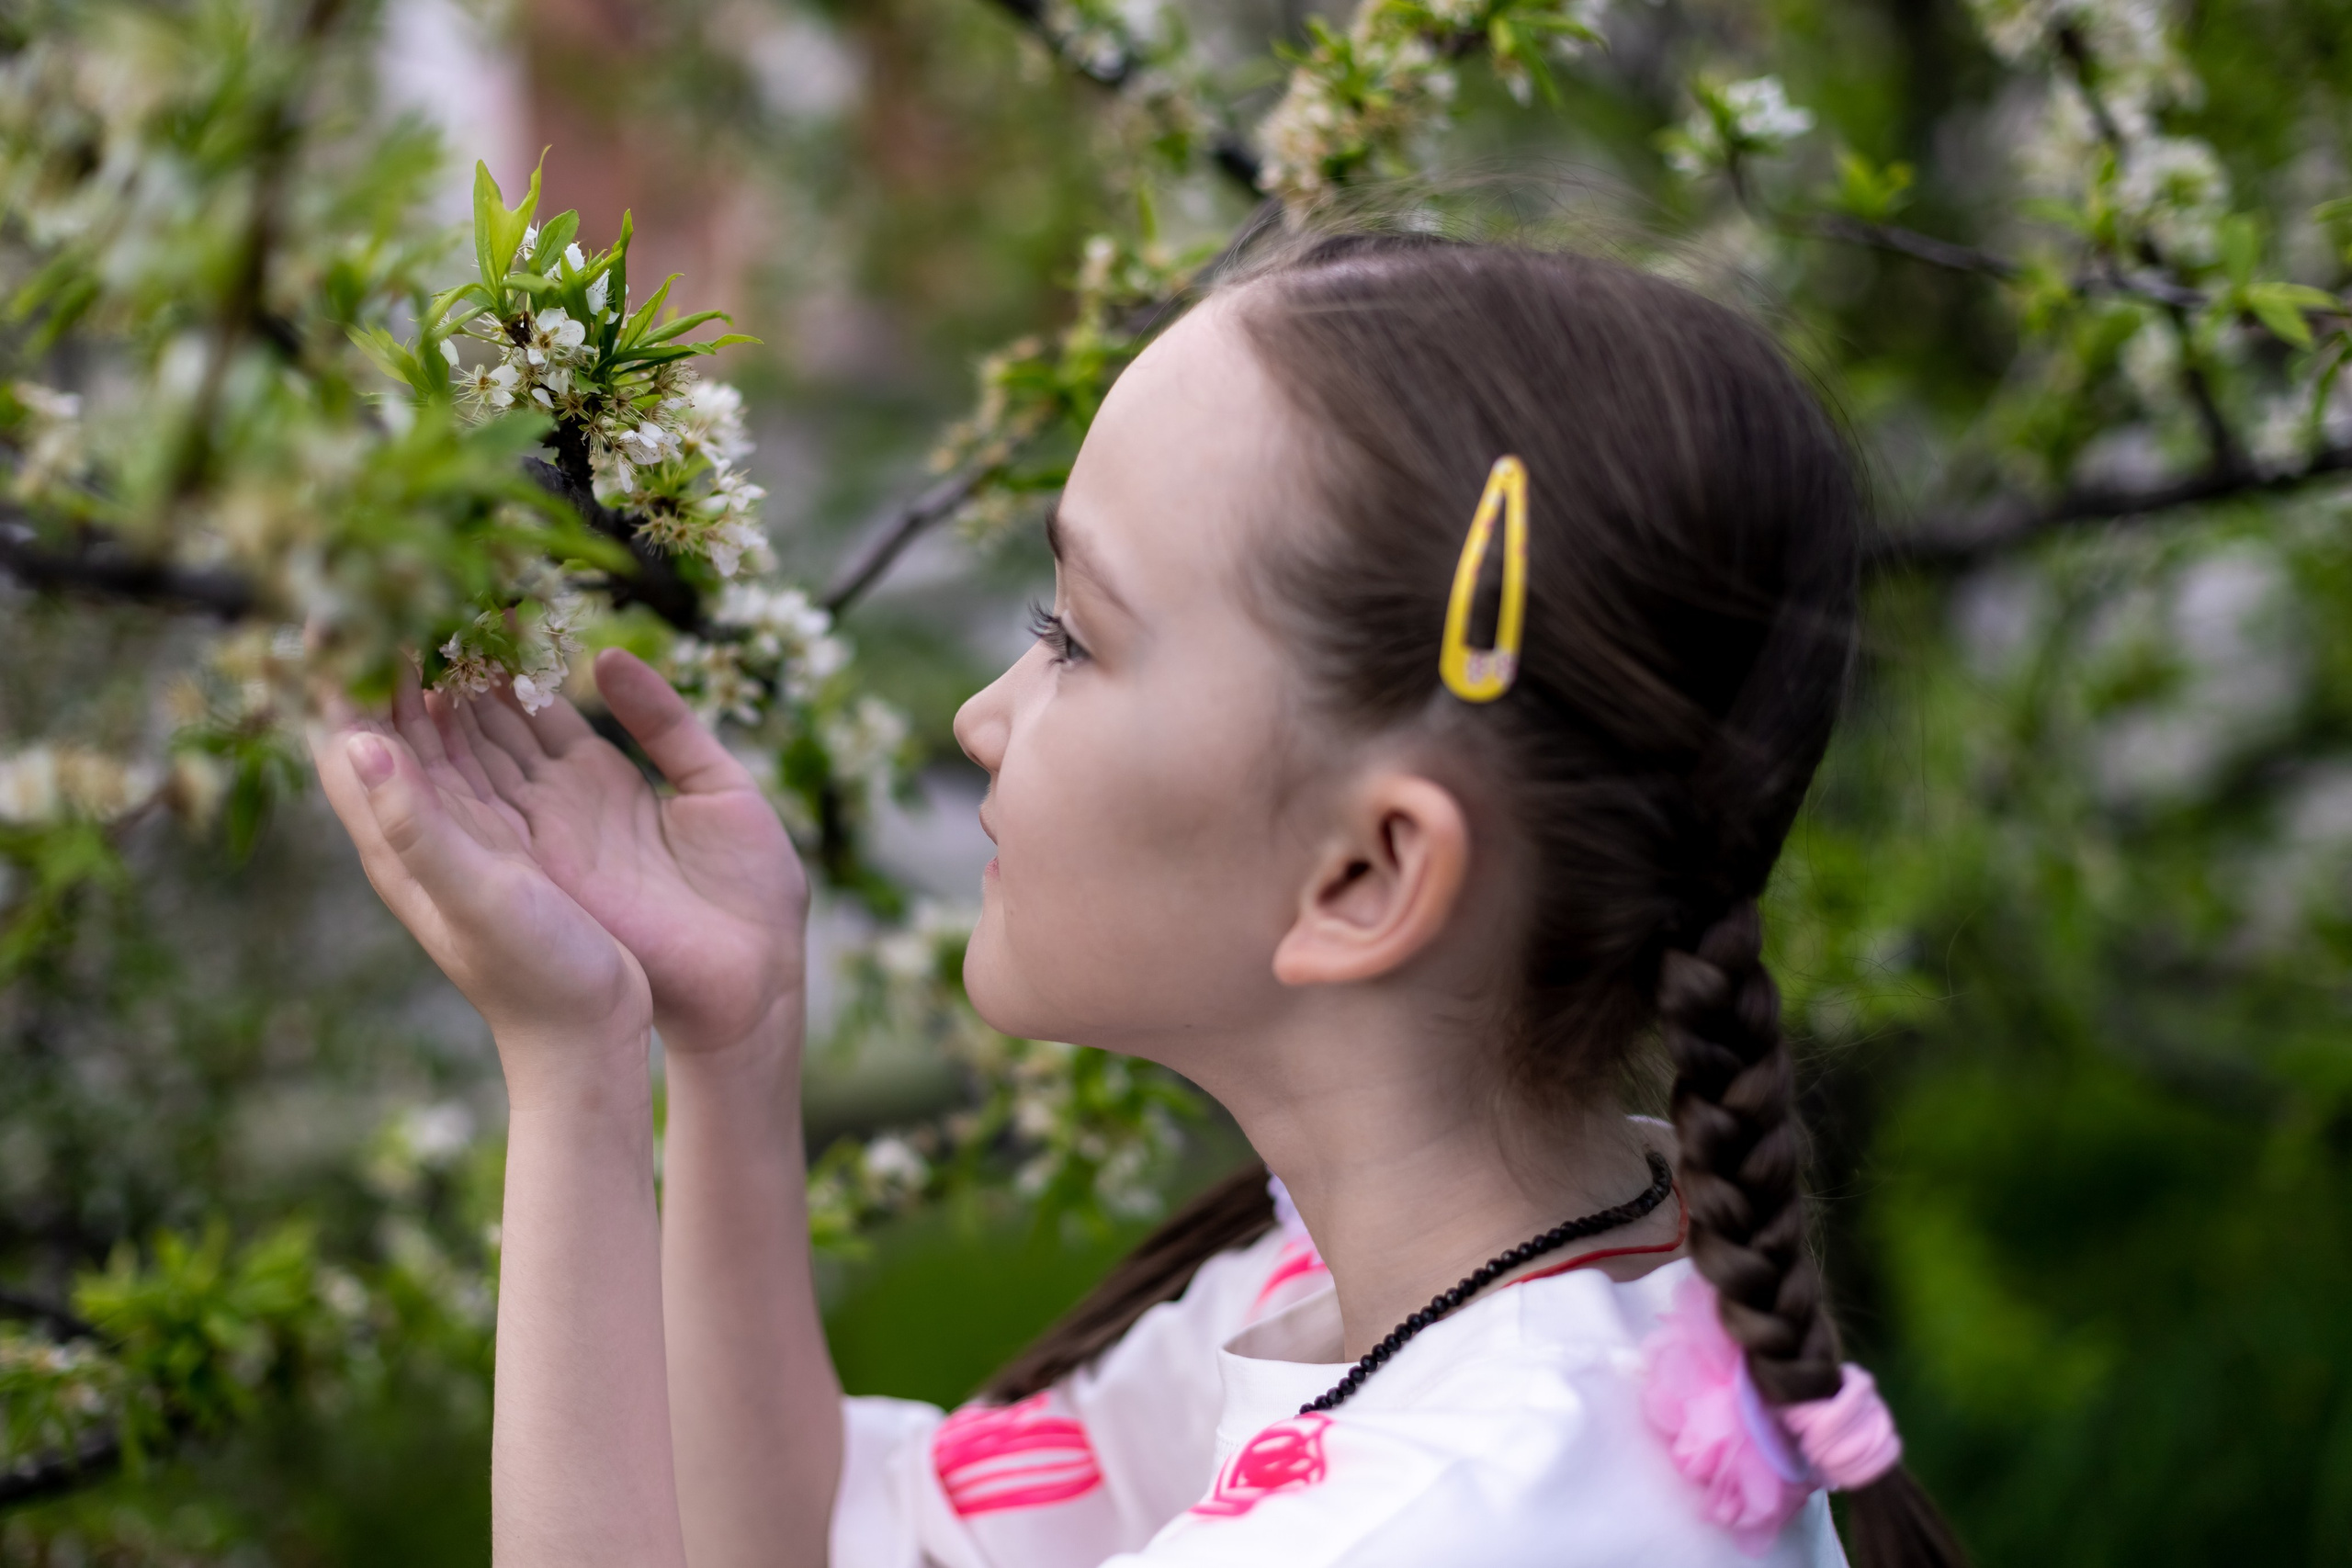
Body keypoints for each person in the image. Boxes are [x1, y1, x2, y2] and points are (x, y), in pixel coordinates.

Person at [311, 232, 1966, 1568]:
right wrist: (720, 1043)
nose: (982, 717)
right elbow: (815, 1546)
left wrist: (570, 1073)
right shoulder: (1401, 1296)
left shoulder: (1446, 1527)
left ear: (1367, 874)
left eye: (1075, 640)